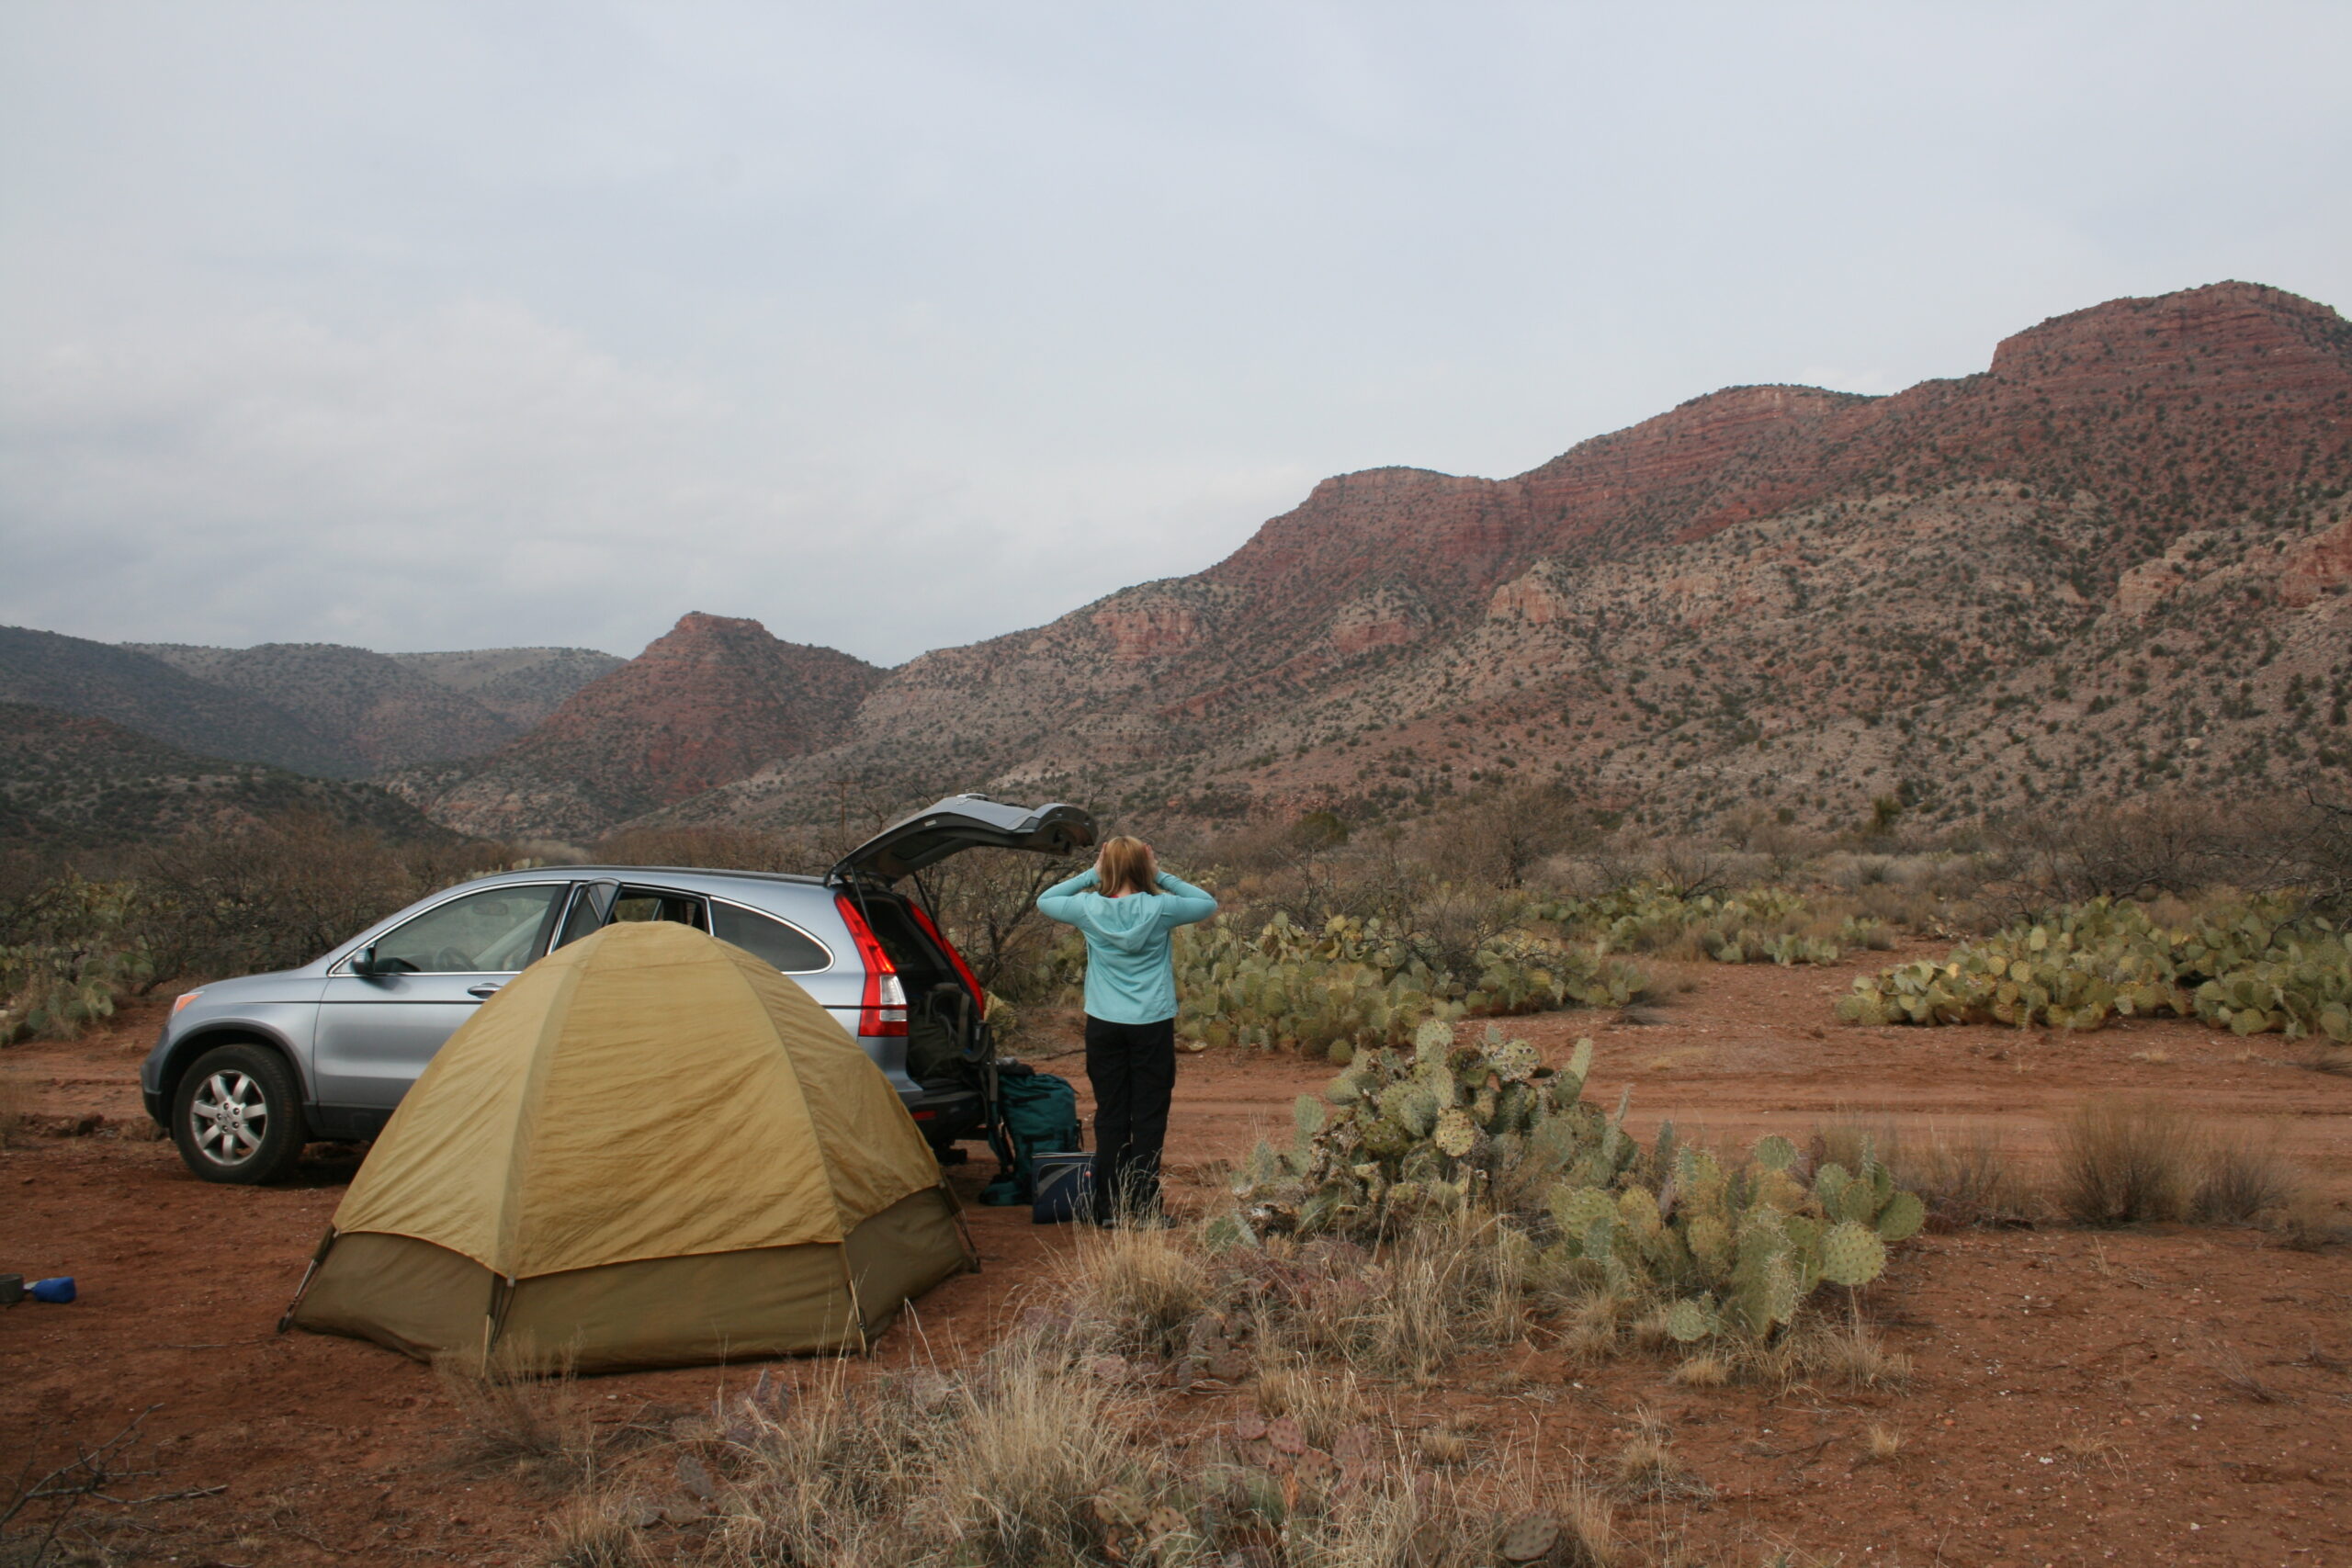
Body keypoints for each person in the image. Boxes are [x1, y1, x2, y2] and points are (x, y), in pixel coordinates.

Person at [1035, 837, 1217, 1224]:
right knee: (1149, 1115)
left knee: (1111, 1114)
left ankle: (1106, 1208)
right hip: (1151, 1023)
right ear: (1142, 865)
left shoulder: (1087, 907)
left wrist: (1092, 874)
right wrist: (1158, 874)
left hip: (1104, 1025)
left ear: (1107, 866)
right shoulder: (1161, 907)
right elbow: (1206, 903)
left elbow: (1046, 900)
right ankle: (1145, 1209)